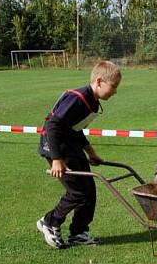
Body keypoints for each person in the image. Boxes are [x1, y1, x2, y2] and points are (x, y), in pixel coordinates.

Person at [36, 60, 121, 249]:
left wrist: (92, 153)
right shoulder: (78, 98)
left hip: (71, 146)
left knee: (89, 191)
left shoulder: (92, 100)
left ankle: (78, 232)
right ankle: (49, 222)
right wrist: (56, 160)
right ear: (99, 81)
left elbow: (76, 129)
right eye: (113, 87)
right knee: (78, 192)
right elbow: (52, 125)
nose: (115, 92)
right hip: (56, 148)